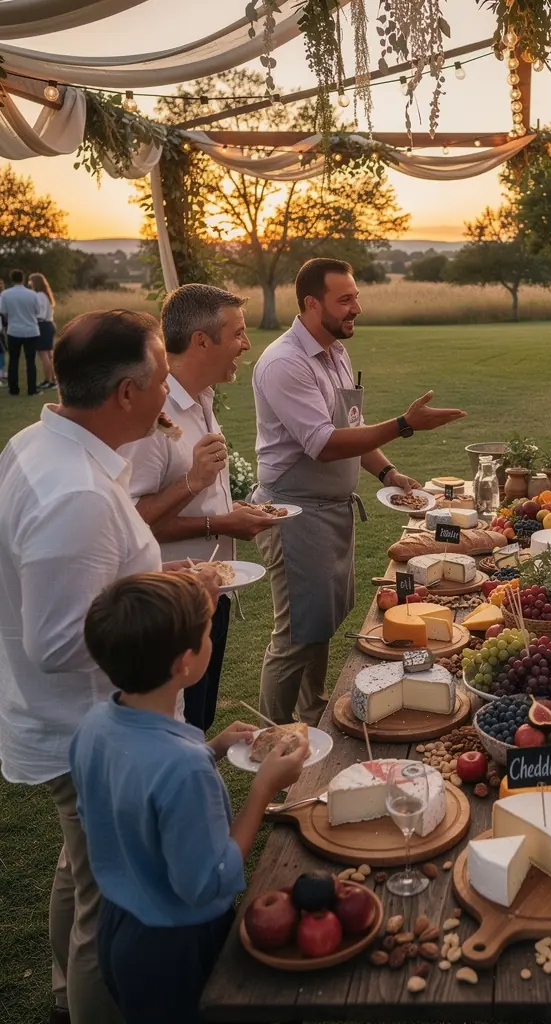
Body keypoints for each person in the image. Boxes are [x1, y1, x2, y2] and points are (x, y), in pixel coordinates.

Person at [0, 309, 219, 1024]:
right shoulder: (78, 495)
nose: (169, 395)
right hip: (88, 728)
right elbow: (61, 640)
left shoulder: (38, 445)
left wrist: (160, 575)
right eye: (161, 379)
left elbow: (91, 587)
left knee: (80, 869)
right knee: (110, 909)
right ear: (126, 393)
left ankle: (64, 996)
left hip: (65, 722)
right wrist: (181, 598)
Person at [71, 571, 308, 1024]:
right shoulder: (183, 768)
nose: (211, 639)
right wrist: (262, 788)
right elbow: (208, 881)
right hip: (176, 946)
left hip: (119, 926)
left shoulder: (94, 728)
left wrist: (209, 747)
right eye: (207, 632)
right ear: (185, 662)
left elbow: (123, 799)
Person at [252, 258, 466, 726]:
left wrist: (389, 473)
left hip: (331, 511)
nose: (357, 308)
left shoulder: (335, 352)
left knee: (321, 625)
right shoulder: (285, 362)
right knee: (294, 637)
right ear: (311, 304)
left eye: (356, 297)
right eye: (344, 299)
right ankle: (272, 738)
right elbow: (324, 443)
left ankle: (310, 712)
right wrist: (405, 424)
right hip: (294, 513)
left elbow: (351, 429)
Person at [120, 284, 279, 731]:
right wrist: (215, 513)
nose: (247, 345)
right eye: (239, 334)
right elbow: (130, 521)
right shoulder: (155, 415)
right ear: (201, 341)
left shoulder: (203, 398)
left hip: (211, 591)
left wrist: (230, 506)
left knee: (199, 719)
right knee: (176, 729)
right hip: (168, 607)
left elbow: (199, 489)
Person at [0, 269, 42, 395]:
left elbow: (3, 311)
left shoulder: (6, 294)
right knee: (30, 361)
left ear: (12, 279)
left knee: (13, 360)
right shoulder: (33, 294)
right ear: (23, 279)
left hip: (14, 330)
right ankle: (32, 389)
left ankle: (13, 389)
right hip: (31, 330)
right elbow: (38, 312)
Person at [29, 272, 58, 390]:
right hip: (49, 325)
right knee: (49, 355)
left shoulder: (40, 295)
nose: (30, 284)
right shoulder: (45, 295)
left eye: (31, 281)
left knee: (43, 354)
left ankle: (48, 380)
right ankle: (52, 379)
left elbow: (39, 314)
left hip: (43, 326)